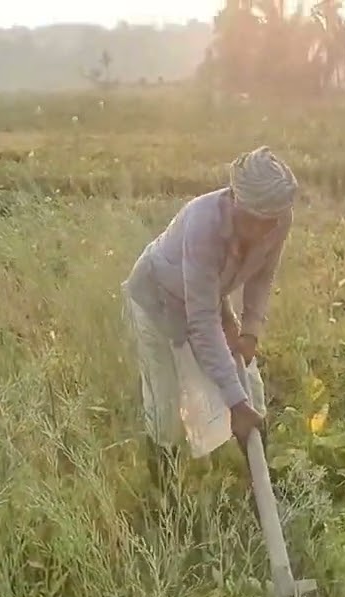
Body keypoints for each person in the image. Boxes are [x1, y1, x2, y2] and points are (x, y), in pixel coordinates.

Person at [121, 145, 298, 485]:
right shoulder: (203, 225)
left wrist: (250, 332)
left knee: (251, 385)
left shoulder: (278, 218)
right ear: (234, 199)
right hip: (158, 299)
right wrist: (234, 403)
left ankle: (260, 480)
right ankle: (165, 493)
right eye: (254, 220)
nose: (262, 231)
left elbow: (263, 275)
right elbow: (201, 321)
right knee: (165, 400)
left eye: (269, 223)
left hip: (208, 295)